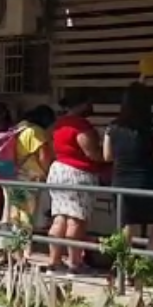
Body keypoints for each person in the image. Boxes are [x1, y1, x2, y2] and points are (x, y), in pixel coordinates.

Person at [103, 84, 153, 251]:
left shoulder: (112, 127)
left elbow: (107, 156)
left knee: (127, 225)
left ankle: (122, 269)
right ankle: (143, 266)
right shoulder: (152, 126)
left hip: (119, 182)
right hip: (144, 182)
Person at [47, 92, 105, 272]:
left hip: (58, 171)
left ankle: (54, 261)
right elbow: (92, 153)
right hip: (78, 174)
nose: (92, 107)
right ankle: (75, 263)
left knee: (59, 218)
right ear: (83, 104)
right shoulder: (80, 125)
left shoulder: (58, 123)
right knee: (76, 220)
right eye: (89, 103)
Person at [1, 105, 55, 252]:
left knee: (13, 213)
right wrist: (46, 173)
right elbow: (44, 156)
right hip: (27, 178)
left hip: (11, 175)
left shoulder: (18, 128)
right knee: (26, 215)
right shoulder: (36, 132)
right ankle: (25, 251)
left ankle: (8, 247)